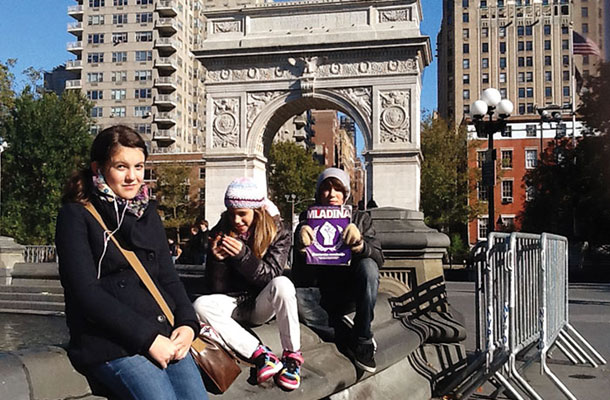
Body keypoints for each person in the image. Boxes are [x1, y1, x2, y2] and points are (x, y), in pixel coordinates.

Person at [55, 125, 208, 400]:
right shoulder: (76, 214)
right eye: (121, 167)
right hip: (111, 341)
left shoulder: (147, 211)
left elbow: (168, 277)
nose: (132, 177)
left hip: (165, 333)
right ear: (98, 168)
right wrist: (147, 338)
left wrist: (187, 323)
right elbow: (85, 293)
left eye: (139, 167)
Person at [193, 177, 303, 391]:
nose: (237, 220)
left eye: (242, 214)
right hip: (232, 302)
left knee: (283, 284)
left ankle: (292, 357)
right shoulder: (220, 230)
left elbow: (270, 276)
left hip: (261, 302)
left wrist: (243, 256)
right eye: (232, 213)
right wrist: (216, 260)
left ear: (257, 211)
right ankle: (261, 354)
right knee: (200, 305)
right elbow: (216, 289)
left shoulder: (279, 232)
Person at [293, 167, 383, 373]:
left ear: (346, 194)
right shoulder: (307, 218)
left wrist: (361, 245)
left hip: (349, 290)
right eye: (325, 189)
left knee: (368, 265)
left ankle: (362, 337)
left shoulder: (361, 219)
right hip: (318, 294)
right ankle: (350, 334)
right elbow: (299, 277)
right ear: (318, 193)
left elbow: (379, 258)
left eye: (338, 189)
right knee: (290, 296)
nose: (331, 194)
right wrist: (300, 247)